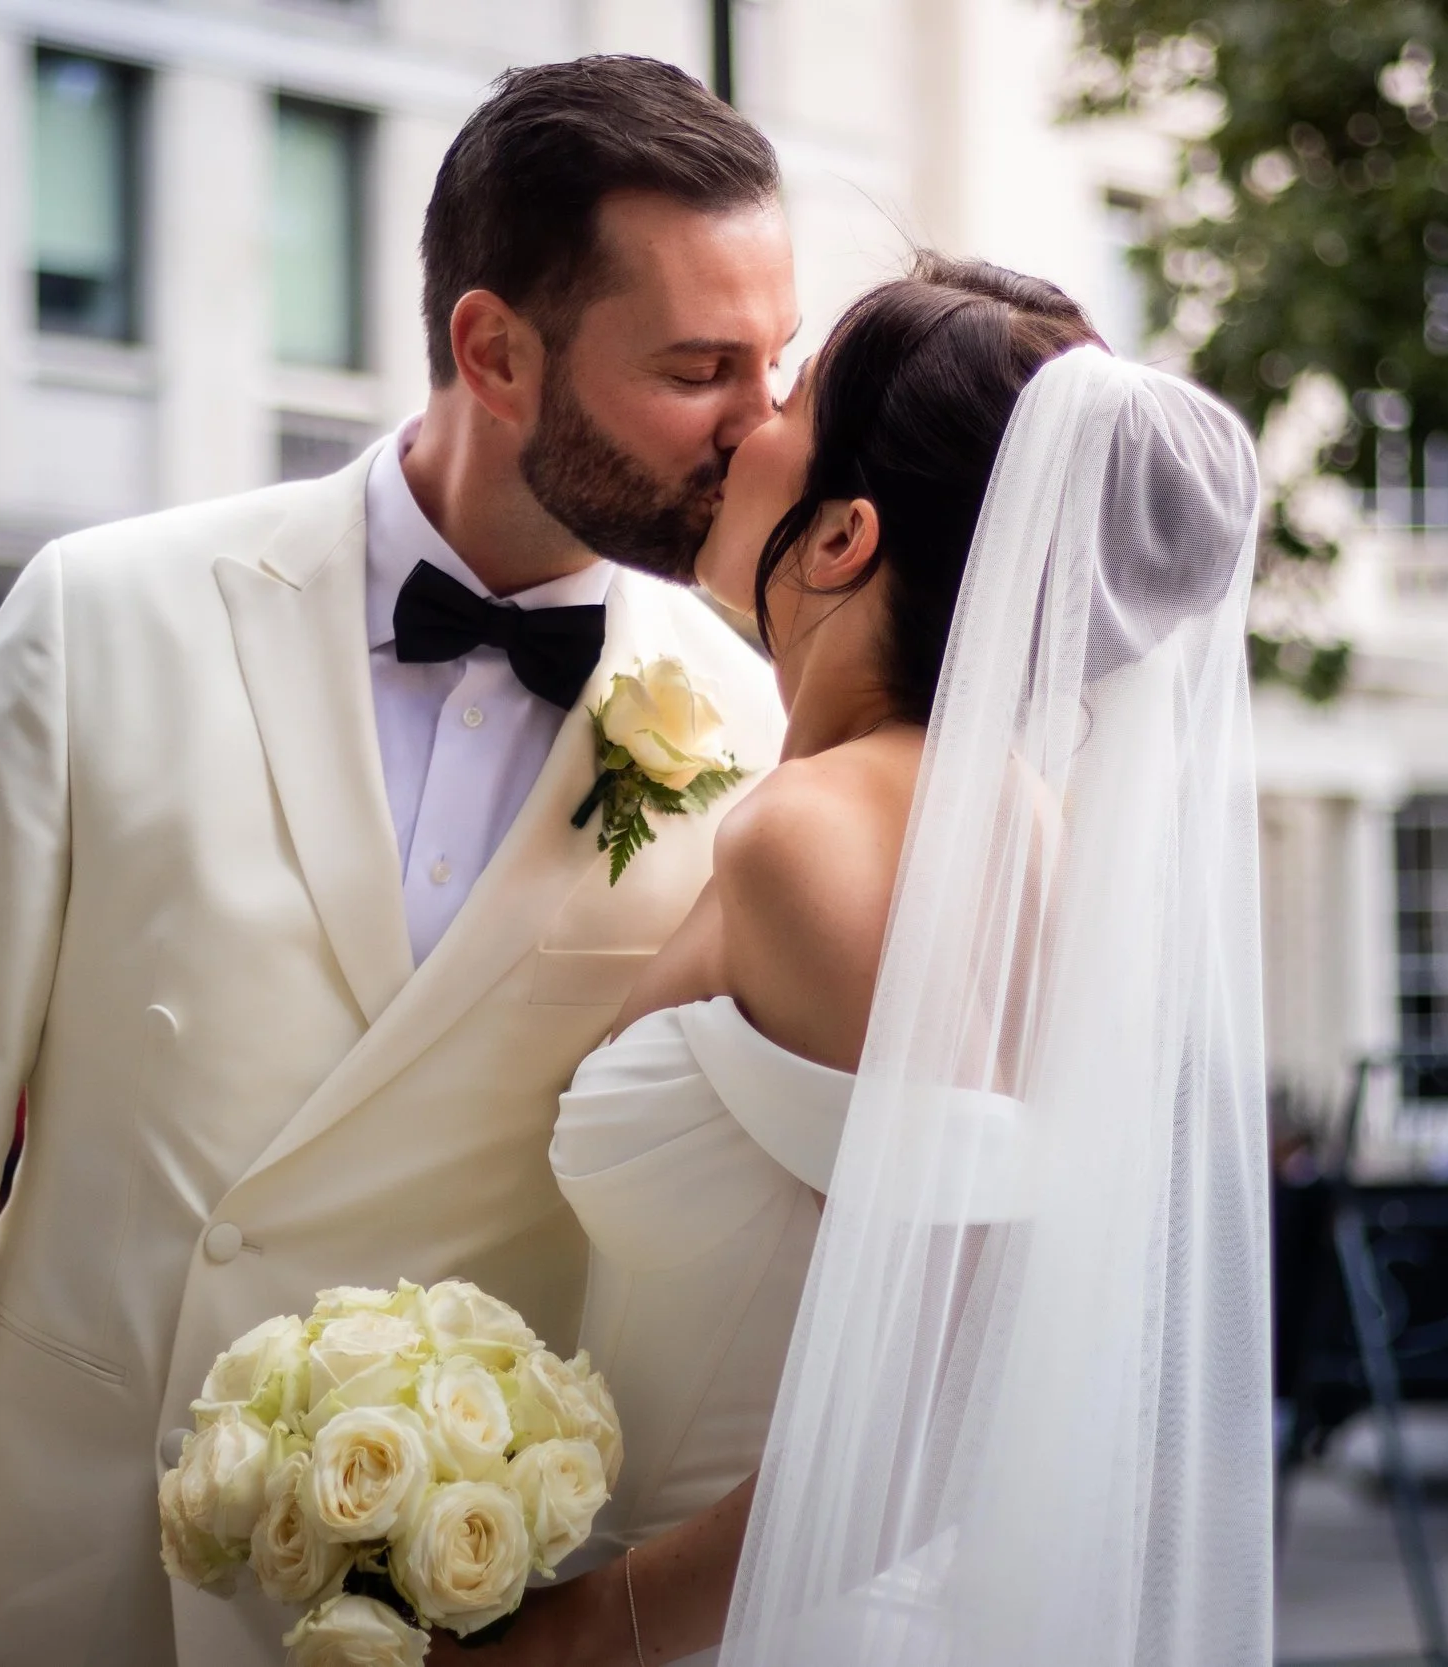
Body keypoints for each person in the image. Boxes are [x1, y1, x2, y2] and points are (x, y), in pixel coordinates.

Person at [0, 58, 794, 1667]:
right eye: (699, 368)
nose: (761, 428)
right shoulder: (98, 617)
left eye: (774, 362)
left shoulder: (746, 722)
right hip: (59, 1585)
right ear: (493, 350)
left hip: (458, 1616)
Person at [475, 259, 1271, 1664]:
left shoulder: (815, 835)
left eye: (796, 389)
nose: (747, 417)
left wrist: (594, 1629)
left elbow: (961, 1379)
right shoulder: (1021, 830)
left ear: (842, 537)